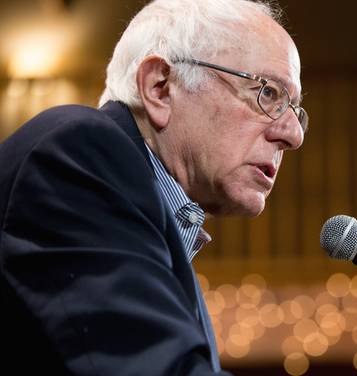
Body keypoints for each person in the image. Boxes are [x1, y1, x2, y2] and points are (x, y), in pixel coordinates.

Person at [0, 0, 307, 374]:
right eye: (269, 93)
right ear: (160, 87)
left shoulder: (154, 219)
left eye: (295, 109)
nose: (293, 134)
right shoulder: (79, 153)